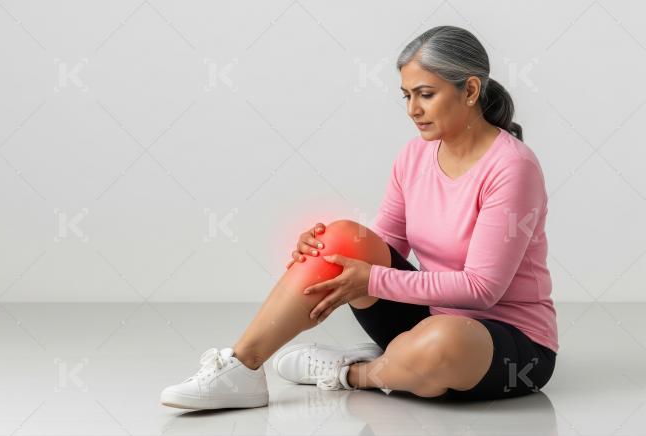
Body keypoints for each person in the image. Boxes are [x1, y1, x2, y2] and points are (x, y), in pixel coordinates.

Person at [160, 25, 558, 409]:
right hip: (429, 316)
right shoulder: (414, 155)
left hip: (512, 345)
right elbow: (381, 246)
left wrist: (370, 279)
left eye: (425, 94)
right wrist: (327, 253)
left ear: (469, 90)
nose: (413, 110)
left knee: (442, 341)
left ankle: (351, 371)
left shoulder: (512, 167)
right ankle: (242, 367)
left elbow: (481, 289)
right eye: (406, 95)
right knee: (342, 238)